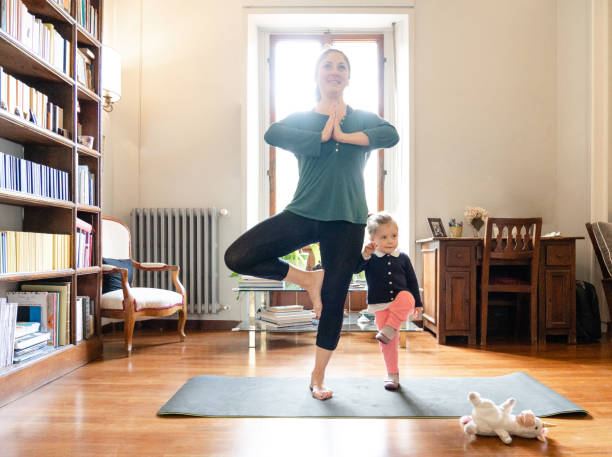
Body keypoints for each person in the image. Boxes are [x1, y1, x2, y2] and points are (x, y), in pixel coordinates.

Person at [224, 48, 399, 400]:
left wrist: (344, 136)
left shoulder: (363, 117)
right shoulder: (302, 118)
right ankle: (306, 277)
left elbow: (390, 135)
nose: (334, 71)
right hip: (304, 210)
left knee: (334, 299)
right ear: (317, 75)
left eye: (341, 67)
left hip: (348, 218)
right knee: (238, 255)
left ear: (348, 77)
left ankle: (318, 376)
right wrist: (321, 135)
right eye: (327, 65)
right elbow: (273, 134)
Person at [355, 212, 423, 391]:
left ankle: (391, 328)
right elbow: (356, 269)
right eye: (383, 237)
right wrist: (365, 254)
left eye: (394, 236)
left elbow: (412, 281)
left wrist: (418, 303)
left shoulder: (403, 257)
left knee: (408, 296)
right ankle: (392, 373)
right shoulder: (370, 258)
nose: (390, 241)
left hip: (400, 303)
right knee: (388, 343)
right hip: (380, 304)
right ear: (372, 239)